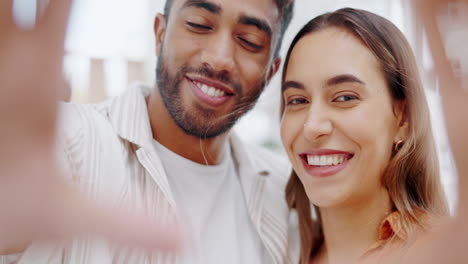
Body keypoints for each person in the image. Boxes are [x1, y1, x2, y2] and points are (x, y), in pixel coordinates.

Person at [0, 0, 296, 263]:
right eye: (199, 24)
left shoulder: (287, 192)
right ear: (160, 34)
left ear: (271, 73)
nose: (219, 59)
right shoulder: (71, 141)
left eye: (250, 41)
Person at [280, 8, 449, 264]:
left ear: (403, 118)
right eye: (297, 100)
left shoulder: (443, 254)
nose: (312, 126)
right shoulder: (280, 250)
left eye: (345, 97)